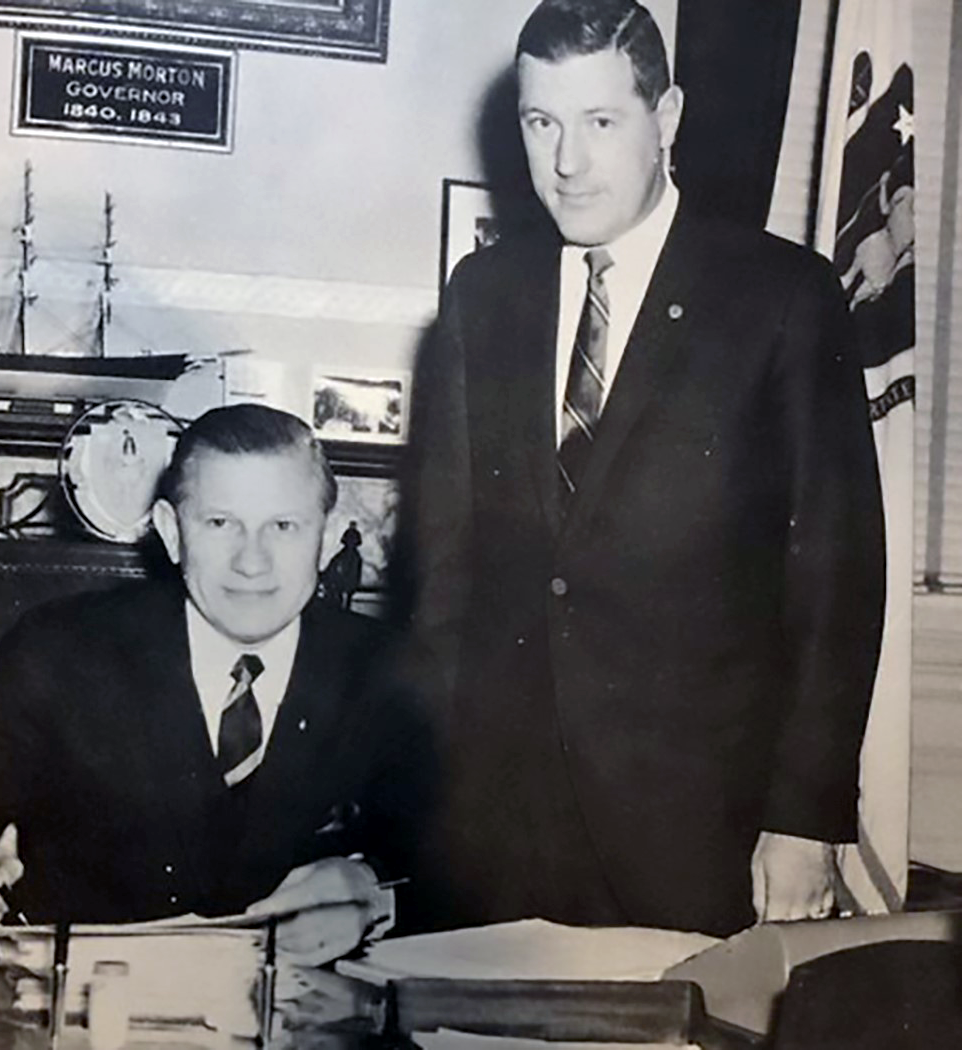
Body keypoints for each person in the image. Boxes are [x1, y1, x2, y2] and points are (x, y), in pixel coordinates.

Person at [406, 0, 885, 937]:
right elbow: (444, 583)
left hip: (702, 831)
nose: (567, 162)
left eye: (600, 122)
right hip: (498, 831)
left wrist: (803, 819)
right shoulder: (482, 296)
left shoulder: (783, 297)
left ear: (665, 119)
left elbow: (835, 582)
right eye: (541, 124)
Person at [0, 404, 433, 963]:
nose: (252, 562)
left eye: (283, 526)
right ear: (170, 531)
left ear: (327, 535)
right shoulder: (63, 652)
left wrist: (375, 892)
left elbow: (468, 859)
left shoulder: (387, 669)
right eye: (220, 523)